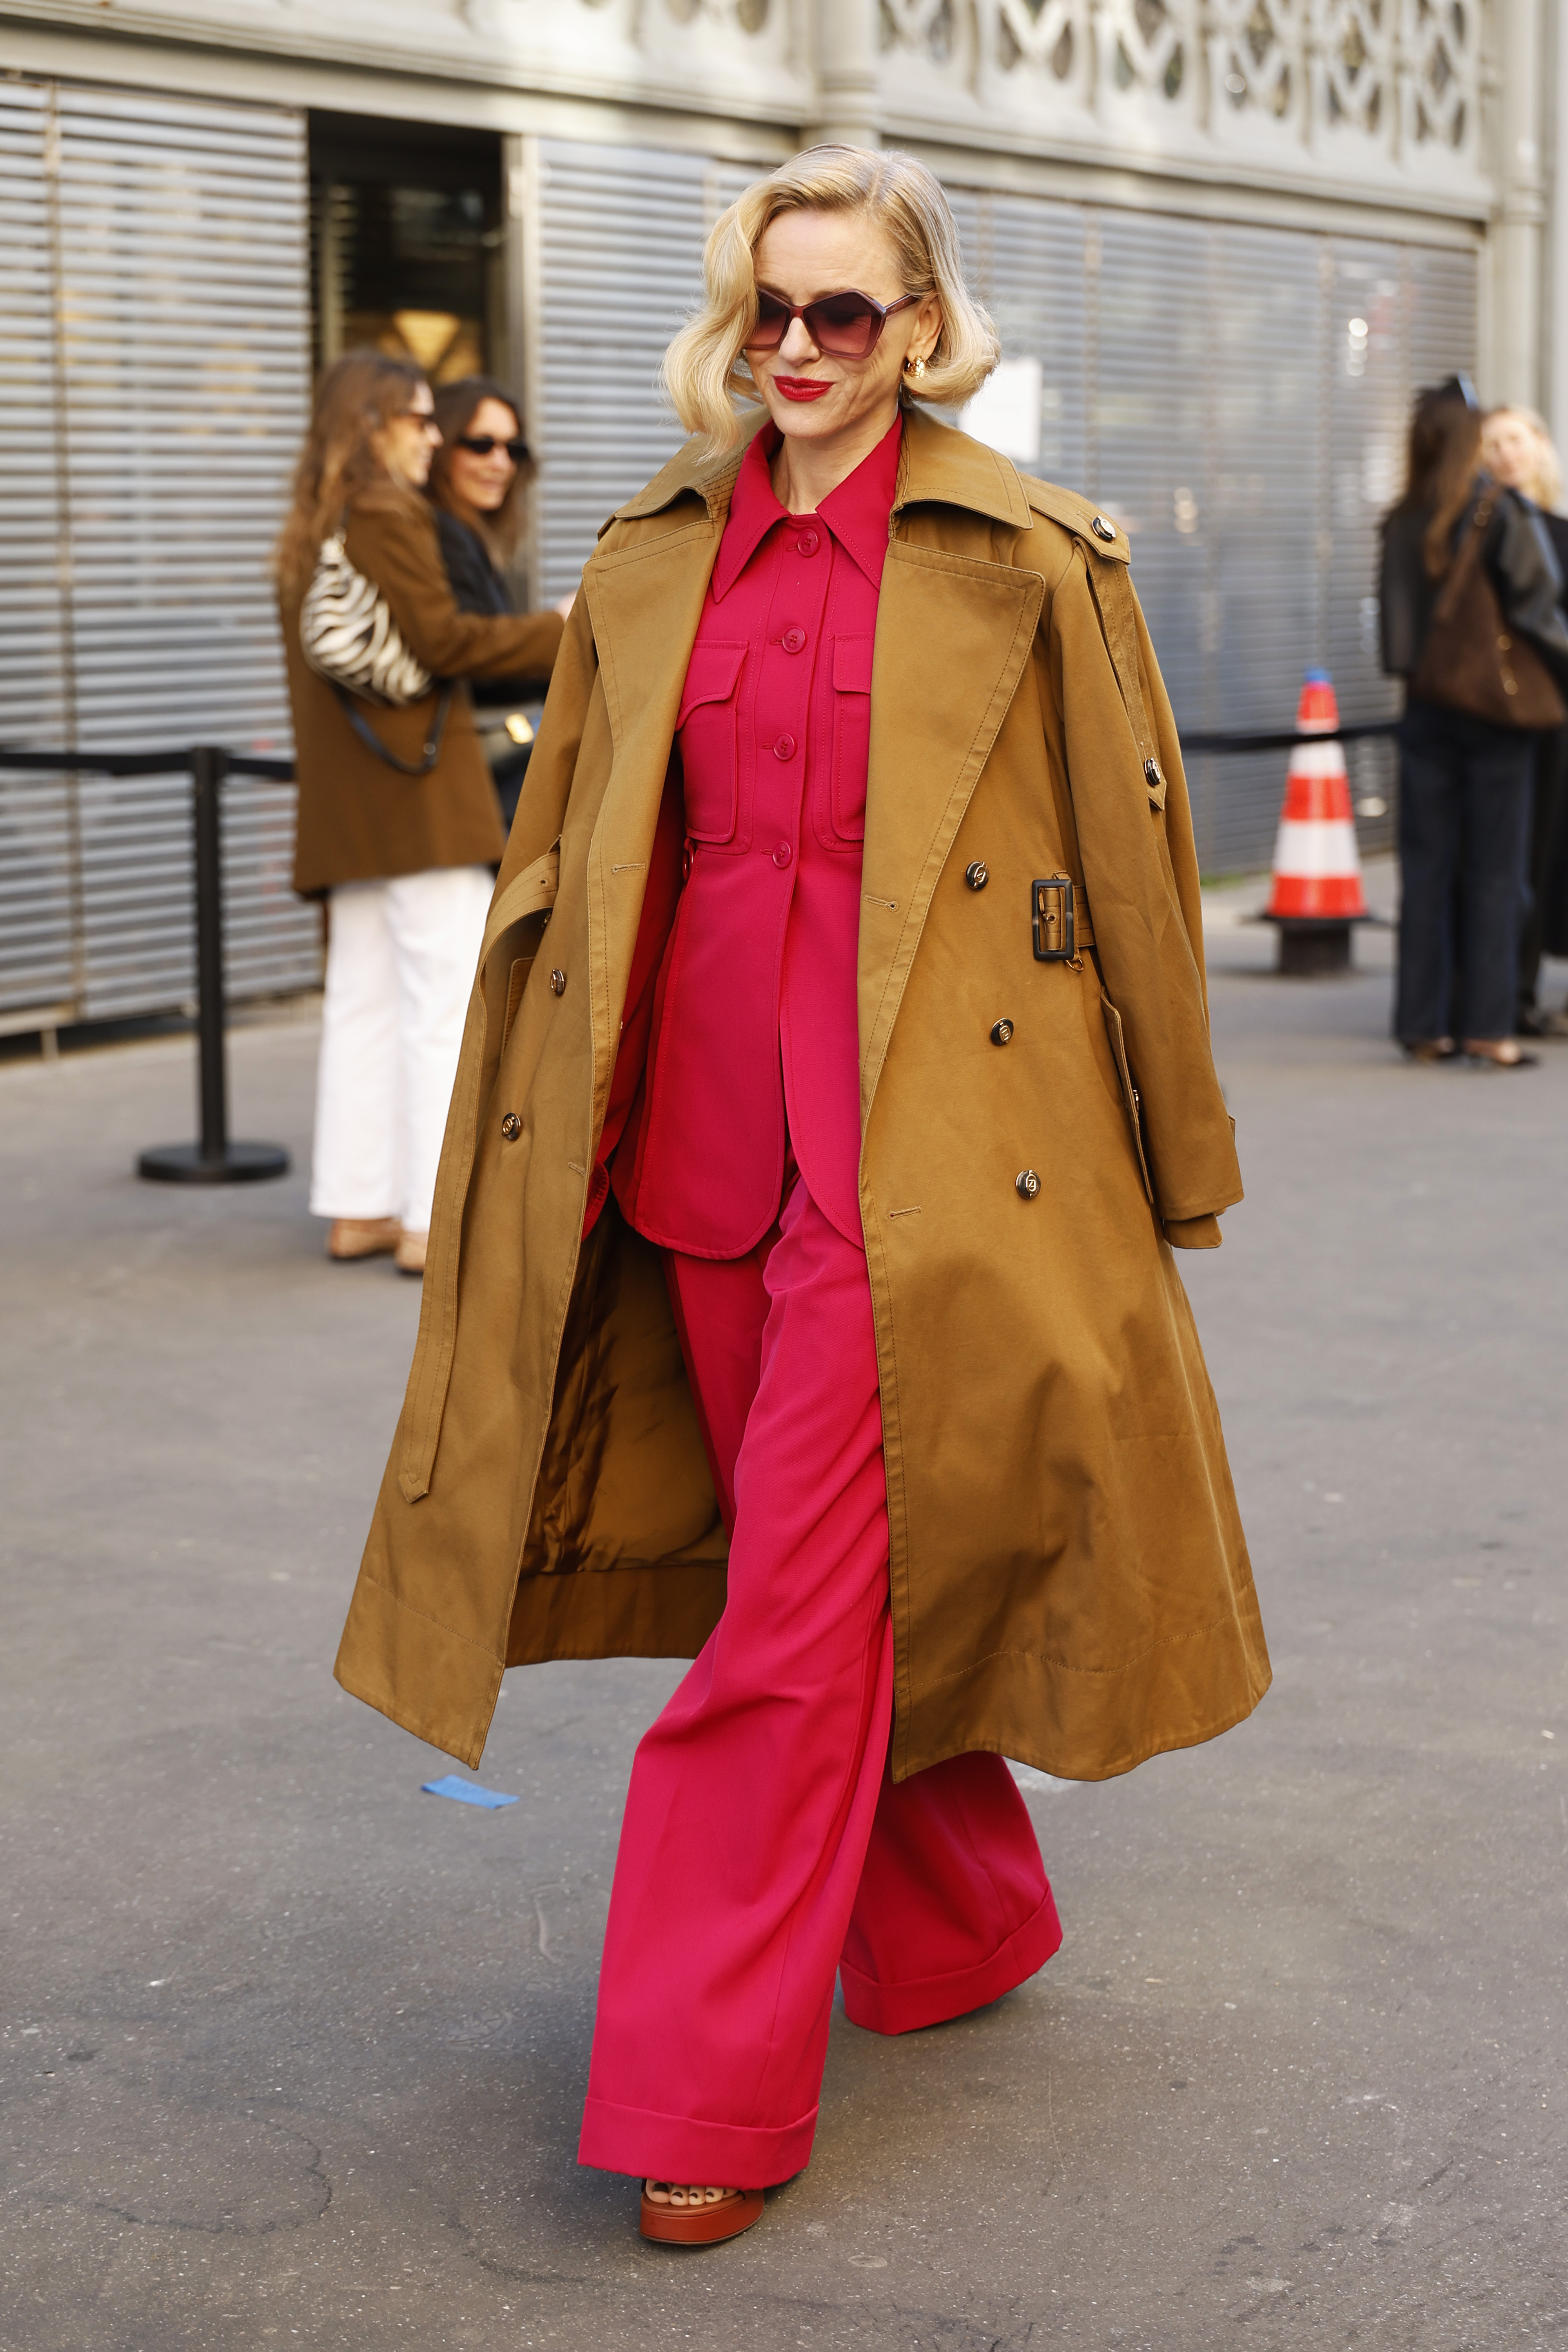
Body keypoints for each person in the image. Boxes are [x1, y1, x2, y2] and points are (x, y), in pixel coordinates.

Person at [334, 147, 1269, 2246]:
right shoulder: (656, 552)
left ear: (925, 328)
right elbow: (568, 866)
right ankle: (954, 1926)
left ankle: (702, 2092)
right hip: (692, 1153)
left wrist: (1181, 1161)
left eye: (844, 313)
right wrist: (511, 1144)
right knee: (824, 1577)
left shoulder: (1038, 558)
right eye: (771, 308)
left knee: (775, 1641)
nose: (800, 351)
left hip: (931, 1168)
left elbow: (1132, 880)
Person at [275, 352, 565, 1276]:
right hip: (418, 795)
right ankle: (431, 1219)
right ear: (370, 426)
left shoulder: (311, 523)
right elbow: (445, 641)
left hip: (349, 803)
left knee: (362, 1003)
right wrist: (567, 623)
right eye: (417, 420)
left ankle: (359, 1207)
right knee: (443, 1005)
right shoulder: (391, 513)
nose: (433, 436)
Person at [1379, 378, 1568, 1067]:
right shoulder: (1498, 512)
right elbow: (1540, 615)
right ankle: (1490, 1027)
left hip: (1425, 713)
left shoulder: (1401, 519)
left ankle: (1423, 1024)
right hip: (1495, 717)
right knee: (1497, 870)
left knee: (1426, 871)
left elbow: (1396, 643)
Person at [427, 376, 570, 836]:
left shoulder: (468, 537)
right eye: (481, 445)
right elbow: (470, 657)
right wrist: (558, 628)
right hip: (462, 794)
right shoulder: (442, 534)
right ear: (441, 444)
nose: (500, 463)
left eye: (514, 449)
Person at [1479, 404, 1568, 1034]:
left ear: (1539, 446)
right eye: (1493, 444)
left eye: (1515, 440)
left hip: (1559, 710)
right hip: (1512, 714)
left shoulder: (1559, 531)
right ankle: (1511, 993)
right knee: (1521, 855)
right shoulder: (1479, 532)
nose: (1506, 453)